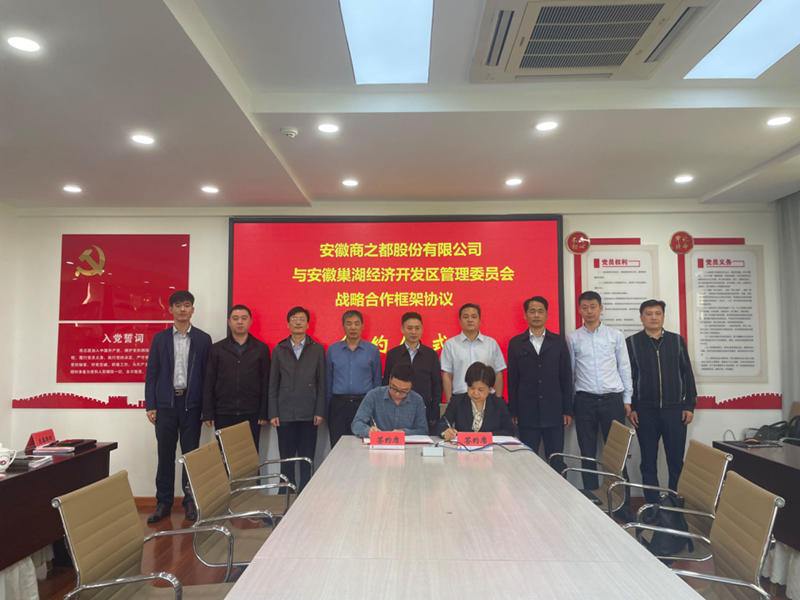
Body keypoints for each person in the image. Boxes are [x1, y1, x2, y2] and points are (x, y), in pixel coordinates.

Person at [144, 290, 211, 523]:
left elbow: (207, 376)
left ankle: (190, 501)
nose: (183, 309)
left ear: (193, 309)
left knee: (190, 455)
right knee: (165, 455)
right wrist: (150, 405)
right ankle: (163, 503)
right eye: (178, 305)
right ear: (170, 309)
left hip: (192, 405)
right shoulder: (160, 339)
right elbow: (152, 374)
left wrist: (206, 407)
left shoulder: (203, 339)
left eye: (187, 305)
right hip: (166, 404)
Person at [568, 291, 633, 516]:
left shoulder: (615, 335)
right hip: (584, 401)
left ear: (601, 308)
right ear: (579, 310)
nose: (589, 311)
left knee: (616, 455)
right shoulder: (573, 338)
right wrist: (571, 403)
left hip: (612, 401)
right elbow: (571, 372)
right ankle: (593, 506)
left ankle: (623, 505)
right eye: (585, 307)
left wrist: (627, 399)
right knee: (587, 454)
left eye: (593, 306)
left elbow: (624, 367)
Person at [627, 300, 697, 503]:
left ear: (663, 317)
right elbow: (628, 376)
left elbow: (687, 374)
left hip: (674, 411)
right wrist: (632, 407)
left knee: (676, 462)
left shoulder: (676, 341)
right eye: (649, 314)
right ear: (641, 318)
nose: (654, 317)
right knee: (648, 462)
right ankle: (652, 505)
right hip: (644, 411)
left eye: (658, 313)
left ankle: (674, 506)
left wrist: (689, 405)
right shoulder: (632, 342)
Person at [507, 296, 572, 469]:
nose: (536, 315)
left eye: (540, 311)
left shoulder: (558, 342)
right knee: (528, 461)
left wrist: (567, 409)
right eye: (532, 311)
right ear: (525, 315)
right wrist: (513, 410)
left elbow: (566, 376)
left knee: (556, 460)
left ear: (547, 315)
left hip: (554, 411)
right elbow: (512, 379)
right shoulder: (516, 343)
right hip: (526, 412)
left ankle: (557, 487)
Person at [268, 306, 326, 492]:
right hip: (284, 413)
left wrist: (320, 411)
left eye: (302, 319)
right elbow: (273, 383)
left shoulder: (317, 349)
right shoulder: (279, 350)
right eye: (294, 319)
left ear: (308, 324)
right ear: (288, 324)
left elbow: (322, 382)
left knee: (307, 459)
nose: (298, 322)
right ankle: (285, 495)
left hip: (309, 413)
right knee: (286, 459)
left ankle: (306, 494)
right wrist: (273, 412)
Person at [203, 304, 271, 449]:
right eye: (235, 318)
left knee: (249, 455)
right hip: (223, 412)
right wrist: (208, 412)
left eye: (244, 318)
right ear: (229, 322)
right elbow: (209, 381)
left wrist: (263, 412)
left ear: (250, 321)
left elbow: (266, 382)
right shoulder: (217, 349)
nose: (240, 322)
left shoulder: (261, 349)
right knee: (226, 454)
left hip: (251, 412)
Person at [326, 310, 382, 447]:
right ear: (343, 326)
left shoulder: (372, 350)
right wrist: (327, 407)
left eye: (357, 323)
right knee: (338, 446)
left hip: (363, 404)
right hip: (338, 405)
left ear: (362, 326)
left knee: (362, 446)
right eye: (349, 323)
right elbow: (328, 379)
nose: (353, 327)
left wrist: (376, 407)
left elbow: (377, 381)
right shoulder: (333, 350)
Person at [382, 312, 443, 434]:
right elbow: (386, 383)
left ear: (422, 330)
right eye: (409, 328)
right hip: (396, 407)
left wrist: (435, 410)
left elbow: (437, 384)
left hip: (424, 409)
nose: (413, 332)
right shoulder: (393, 354)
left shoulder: (431, 355)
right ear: (402, 329)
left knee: (421, 439)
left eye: (417, 328)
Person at [440, 303, 506, 403]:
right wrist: (449, 402)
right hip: (460, 398)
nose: (470, 320)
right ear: (460, 321)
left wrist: (498, 401)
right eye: (466, 317)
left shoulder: (491, 343)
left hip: (487, 397)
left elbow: (498, 373)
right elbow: (447, 375)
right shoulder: (450, 344)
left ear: (480, 320)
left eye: (474, 316)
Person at [437, 362, 513, 440]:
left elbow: (509, 430)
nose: (475, 393)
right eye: (472, 388)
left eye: (481, 390)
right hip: (463, 446)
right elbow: (442, 424)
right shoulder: (457, 402)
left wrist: (485, 436)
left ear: (489, 389)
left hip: (491, 446)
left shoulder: (499, 404)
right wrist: (446, 432)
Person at [352, 364, 429, 437]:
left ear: (411, 387)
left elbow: (423, 431)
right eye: (394, 388)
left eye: (403, 391)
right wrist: (368, 431)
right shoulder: (374, 395)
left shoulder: (417, 400)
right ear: (390, 379)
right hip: (379, 443)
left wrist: (404, 432)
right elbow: (356, 423)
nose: (397, 394)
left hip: (406, 445)